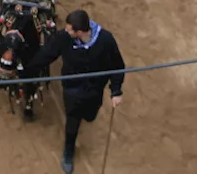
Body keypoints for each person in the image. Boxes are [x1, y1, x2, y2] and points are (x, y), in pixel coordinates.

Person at [26, 9, 124, 173]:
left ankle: (88, 112)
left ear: (79, 32)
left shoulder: (106, 40)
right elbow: (47, 55)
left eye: (69, 29)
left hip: (94, 89)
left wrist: (116, 91)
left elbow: (117, 66)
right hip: (73, 90)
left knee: (90, 115)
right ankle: (68, 152)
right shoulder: (63, 38)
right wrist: (28, 71)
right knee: (73, 121)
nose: (66, 30)